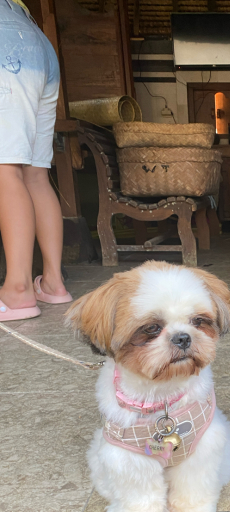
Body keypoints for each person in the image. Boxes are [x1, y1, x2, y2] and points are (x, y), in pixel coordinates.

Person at [0, 0, 72, 321]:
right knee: (36, 175)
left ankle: (17, 290)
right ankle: (53, 283)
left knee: (4, 170)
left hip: (6, 42)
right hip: (36, 41)